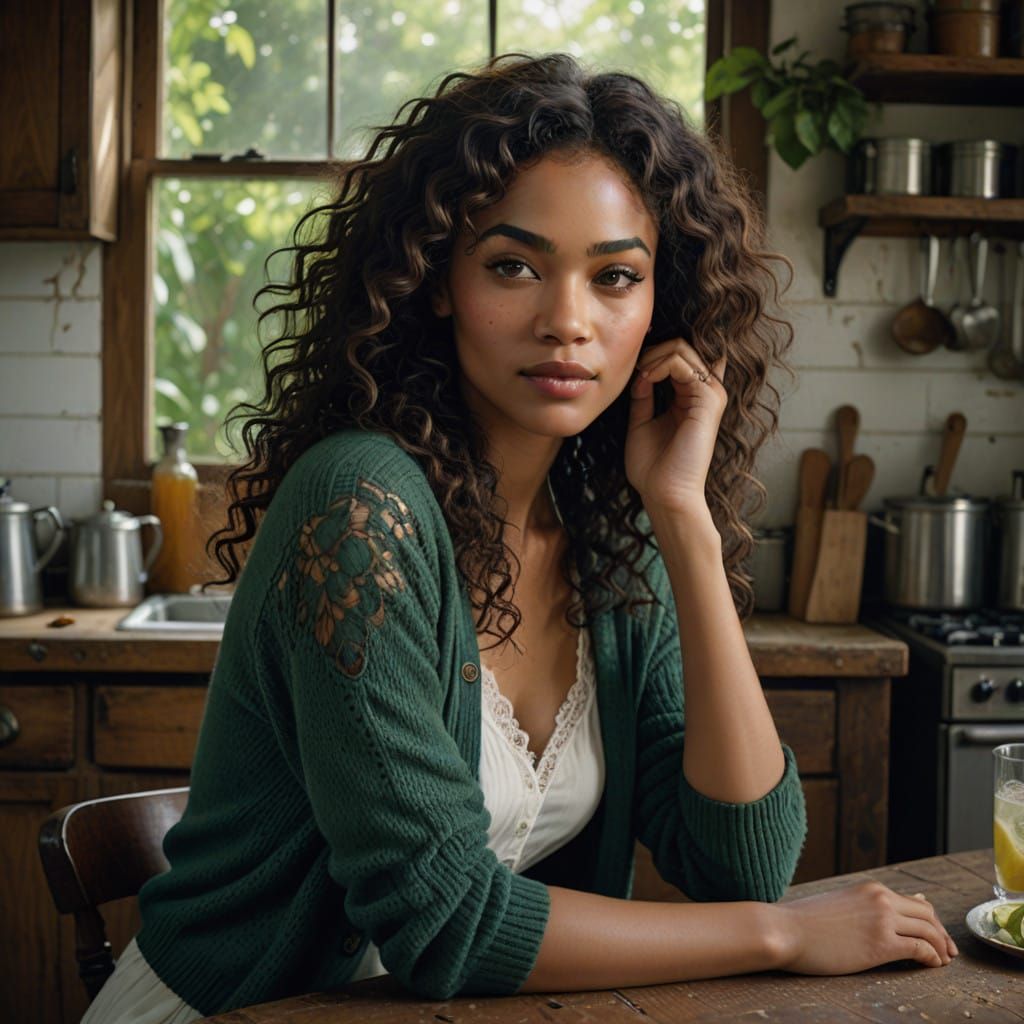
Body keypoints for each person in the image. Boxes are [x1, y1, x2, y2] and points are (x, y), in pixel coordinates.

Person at [81, 51, 957, 1023]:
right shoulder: (360, 508)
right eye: (513, 266)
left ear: (657, 306)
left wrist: (684, 522)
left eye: (615, 276)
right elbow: (445, 921)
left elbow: (740, 862)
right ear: (437, 279)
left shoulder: (608, 532)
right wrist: (783, 935)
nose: (567, 322)